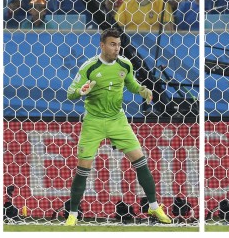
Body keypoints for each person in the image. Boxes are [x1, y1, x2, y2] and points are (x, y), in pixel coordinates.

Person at [63, 28, 171, 226]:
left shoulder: (125, 64)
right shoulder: (90, 67)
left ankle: (154, 206)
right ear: (102, 45)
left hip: (117, 120)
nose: (117, 49)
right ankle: (73, 214)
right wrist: (81, 90)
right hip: (94, 122)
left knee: (140, 160)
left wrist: (141, 90)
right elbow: (70, 93)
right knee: (83, 168)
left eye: (119, 45)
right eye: (112, 44)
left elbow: (130, 83)